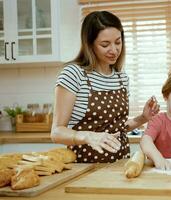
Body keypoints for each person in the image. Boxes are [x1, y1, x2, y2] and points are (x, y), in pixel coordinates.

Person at [51, 11, 159, 163]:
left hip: (120, 163)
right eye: (105, 44)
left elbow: (117, 129)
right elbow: (56, 132)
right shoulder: (73, 74)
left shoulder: (121, 78)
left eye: (118, 42)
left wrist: (143, 118)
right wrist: (89, 136)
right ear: (89, 44)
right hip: (84, 167)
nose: (114, 50)